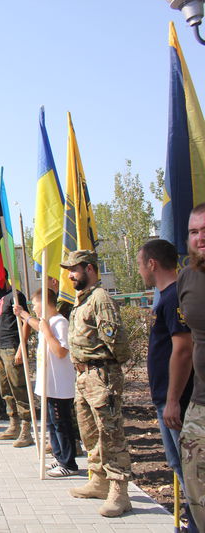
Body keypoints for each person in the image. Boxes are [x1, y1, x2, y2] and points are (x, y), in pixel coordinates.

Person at [61, 249, 132, 517]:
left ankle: (119, 491)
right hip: (83, 376)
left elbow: (117, 341)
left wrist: (110, 370)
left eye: (74, 270)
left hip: (101, 375)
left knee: (110, 433)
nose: (70, 275)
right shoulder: (83, 300)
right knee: (90, 432)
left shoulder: (100, 298)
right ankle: (99, 479)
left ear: (90, 269)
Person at [138, 239, 198, 532]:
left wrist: (173, 399)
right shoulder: (165, 296)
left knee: (190, 470)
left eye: (140, 264)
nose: (140, 271)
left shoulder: (174, 296)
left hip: (177, 400)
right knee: (179, 466)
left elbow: (183, 348)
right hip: (166, 398)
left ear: (152, 264)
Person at [15, 289, 78, 477]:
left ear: (44, 303)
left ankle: (69, 462)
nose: (34, 308)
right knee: (51, 423)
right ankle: (59, 457)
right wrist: (24, 315)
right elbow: (36, 325)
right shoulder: (47, 323)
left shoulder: (59, 322)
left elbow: (60, 351)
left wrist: (46, 331)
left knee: (61, 423)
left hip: (59, 385)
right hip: (48, 384)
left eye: (35, 304)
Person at [176, 203, 205, 531]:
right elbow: (185, 345)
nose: (200, 238)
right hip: (199, 401)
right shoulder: (187, 278)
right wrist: (174, 399)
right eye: (194, 232)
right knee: (195, 484)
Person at [0, 282, 34, 447]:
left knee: (19, 387)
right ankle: (14, 424)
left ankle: (26, 428)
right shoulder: (0, 298)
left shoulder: (16, 296)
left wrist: (21, 348)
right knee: (6, 389)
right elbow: (0, 319)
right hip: (1, 347)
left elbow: (26, 322)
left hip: (13, 347)